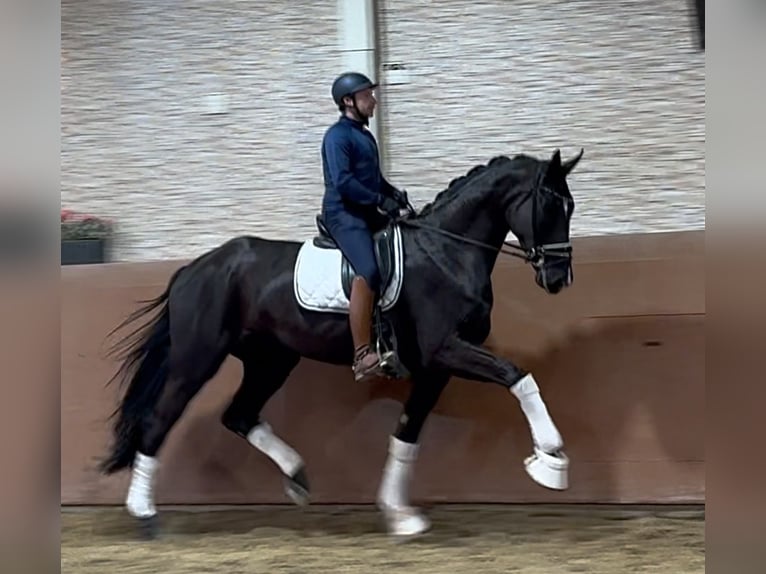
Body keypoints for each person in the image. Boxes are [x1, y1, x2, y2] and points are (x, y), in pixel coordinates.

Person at [320, 71, 409, 382]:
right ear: (348, 101)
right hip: (344, 214)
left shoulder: (363, 135)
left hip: (366, 210)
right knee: (369, 271)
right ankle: (362, 354)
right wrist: (377, 200)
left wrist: (391, 193)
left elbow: (373, 178)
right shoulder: (337, 137)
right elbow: (344, 183)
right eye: (367, 95)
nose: (373, 100)